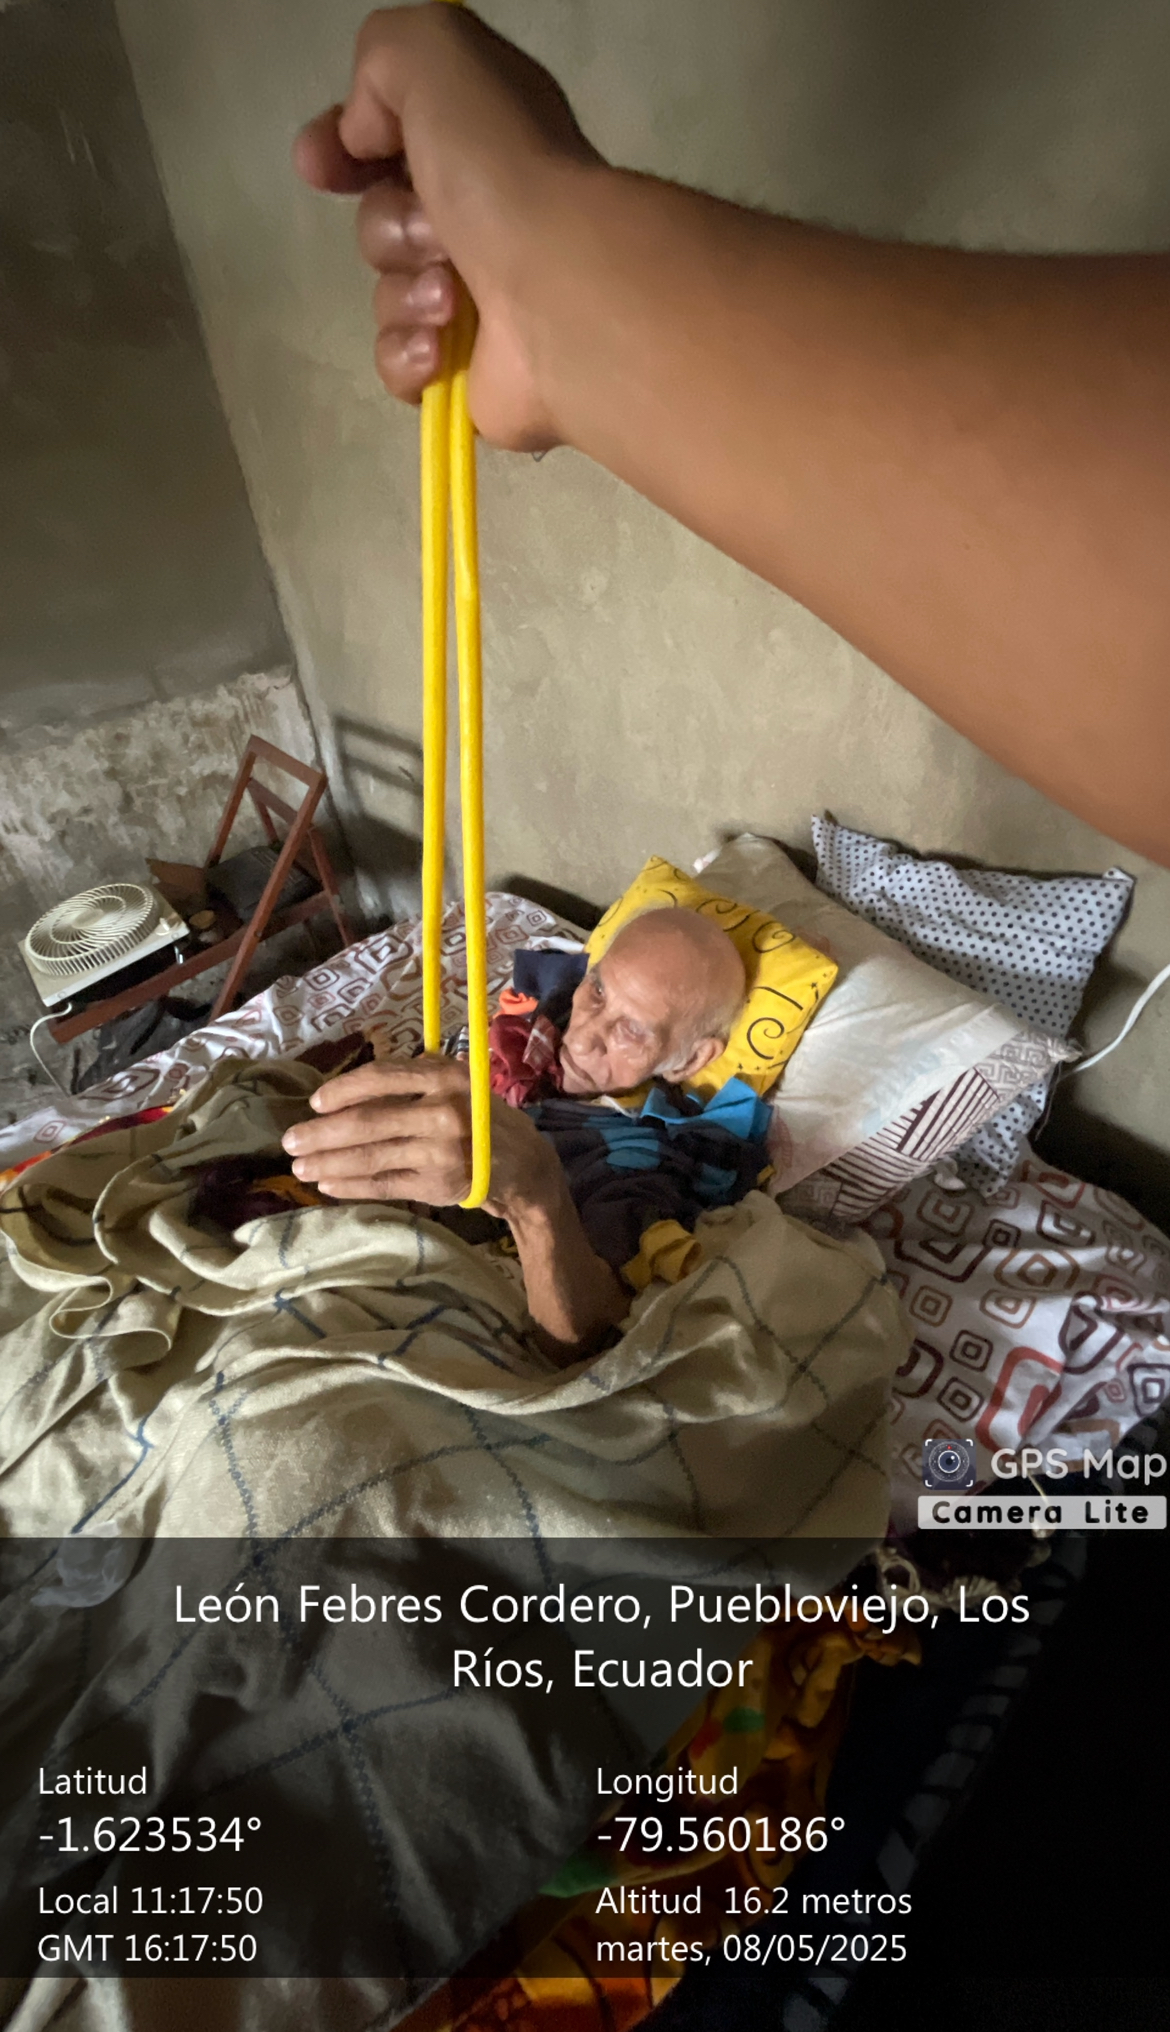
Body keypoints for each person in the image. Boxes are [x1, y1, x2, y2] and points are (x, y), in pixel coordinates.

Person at [284, 909, 753, 1360]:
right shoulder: (528, 1031)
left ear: (692, 1061)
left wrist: (537, 1197)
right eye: (597, 990)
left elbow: (585, 1340)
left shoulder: (642, 1153)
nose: (582, 1037)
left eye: (631, 1030)